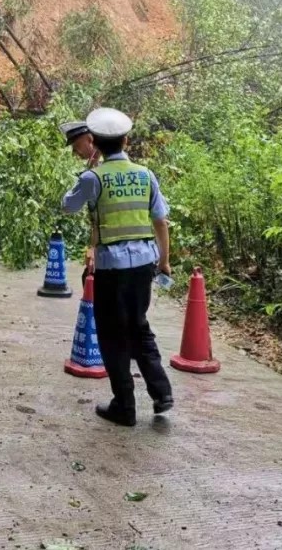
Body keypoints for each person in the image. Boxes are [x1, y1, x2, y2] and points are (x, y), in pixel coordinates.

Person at [61, 107, 174, 426]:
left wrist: (87, 172)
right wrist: (164, 262)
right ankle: (162, 392)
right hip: (143, 266)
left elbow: (68, 205)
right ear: (126, 140)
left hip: (111, 269)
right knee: (138, 326)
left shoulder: (92, 177)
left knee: (111, 335)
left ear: (94, 141)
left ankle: (124, 406)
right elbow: (161, 221)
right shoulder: (145, 175)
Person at [59, 120, 100, 283]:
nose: (75, 153)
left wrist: (86, 174)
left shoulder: (94, 174)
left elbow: (68, 205)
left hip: (109, 256)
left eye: (76, 146)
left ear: (90, 139)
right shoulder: (136, 171)